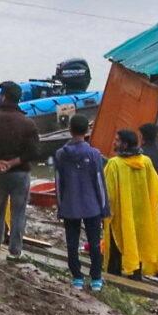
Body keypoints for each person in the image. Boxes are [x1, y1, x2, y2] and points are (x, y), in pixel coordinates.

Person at [0, 81, 44, 258]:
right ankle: (15, 250)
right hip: (20, 174)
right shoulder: (28, 123)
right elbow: (35, 151)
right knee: (18, 212)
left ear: (3, 97)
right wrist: (12, 163)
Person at [54, 113, 110, 289]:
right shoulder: (94, 154)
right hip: (92, 206)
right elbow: (99, 183)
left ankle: (77, 277)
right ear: (87, 131)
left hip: (70, 206)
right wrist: (104, 207)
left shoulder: (60, 154)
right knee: (94, 242)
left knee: (72, 242)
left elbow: (58, 183)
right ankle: (96, 279)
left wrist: (60, 206)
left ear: (69, 130)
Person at [104, 128, 158, 280]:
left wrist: (104, 214)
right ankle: (135, 278)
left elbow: (107, 194)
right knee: (137, 247)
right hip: (141, 216)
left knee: (116, 249)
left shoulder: (114, 164)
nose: (114, 142)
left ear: (125, 145)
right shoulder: (145, 162)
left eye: (117, 140)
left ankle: (113, 280)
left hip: (120, 216)